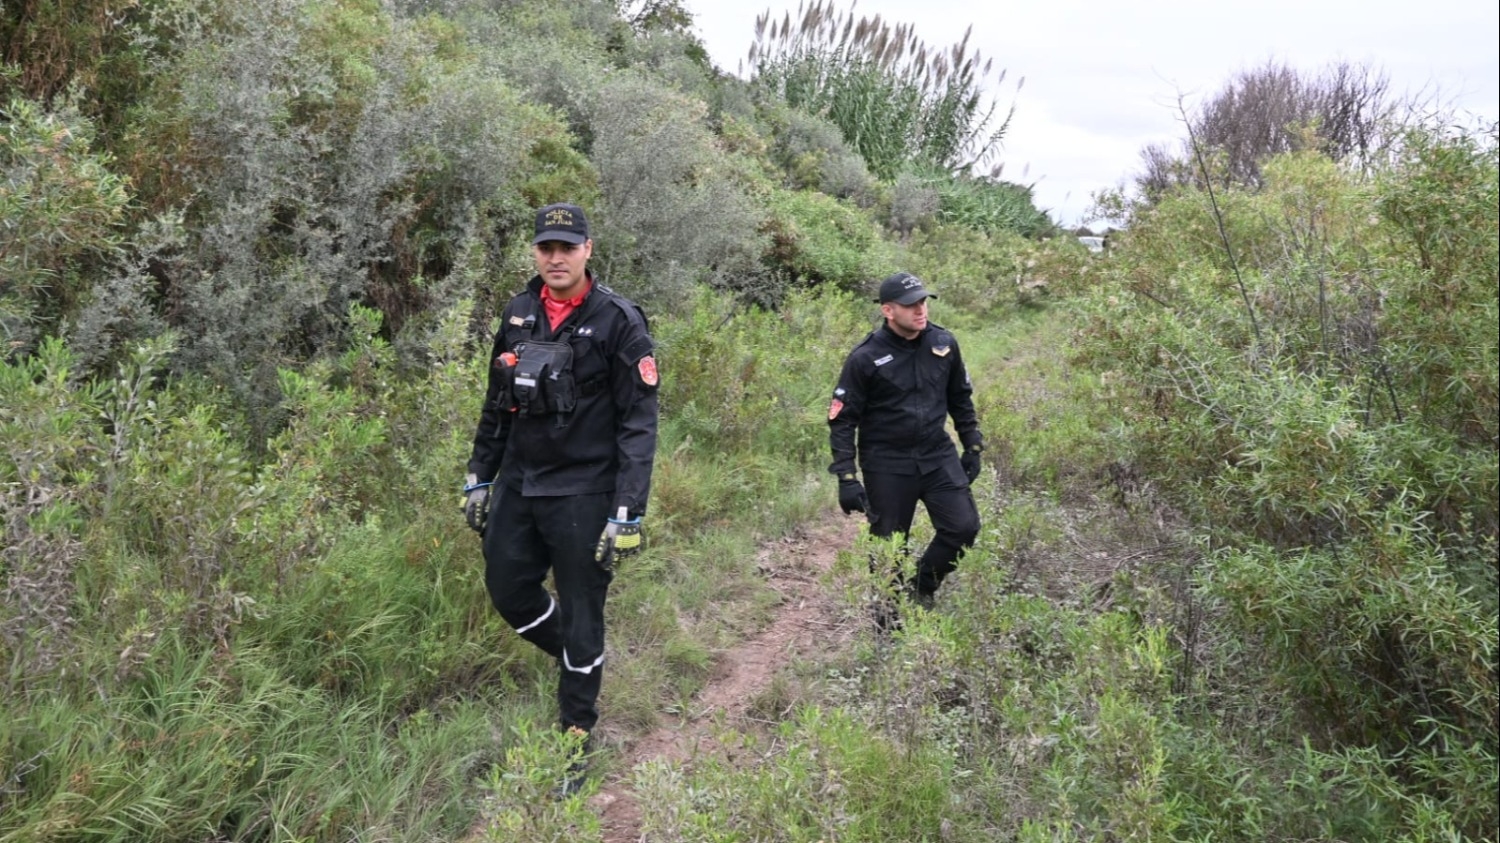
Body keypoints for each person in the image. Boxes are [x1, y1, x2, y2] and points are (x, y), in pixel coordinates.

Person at [462, 202, 659, 795]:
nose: (555, 257)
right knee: (508, 589)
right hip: (521, 483)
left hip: (584, 489)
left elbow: (638, 422)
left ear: (587, 251)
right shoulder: (518, 313)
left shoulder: (619, 321)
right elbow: (498, 403)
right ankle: (581, 660)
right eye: (545, 247)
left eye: (566, 248)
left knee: (582, 612)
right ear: (536, 252)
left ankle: (575, 735)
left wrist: (627, 510)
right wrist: (479, 474)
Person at [827, 271, 982, 628]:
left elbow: (960, 396)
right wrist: (847, 477)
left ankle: (921, 587)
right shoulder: (865, 358)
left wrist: (972, 443)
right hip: (887, 463)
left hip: (937, 455)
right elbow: (842, 420)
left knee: (963, 528)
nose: (920, 310)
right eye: (911, 305)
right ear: (887, 310)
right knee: (888, 550)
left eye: (924, 302)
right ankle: (886, 628)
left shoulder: (943, 343)